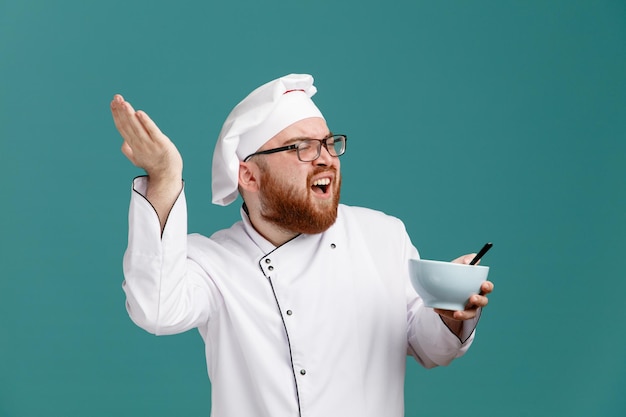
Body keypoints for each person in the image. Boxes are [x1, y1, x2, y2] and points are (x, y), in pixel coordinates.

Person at [110, 73, 494, 417]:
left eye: (329, 144)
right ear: (248, 174)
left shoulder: (383, 236)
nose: (326, 159)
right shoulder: (214, 261)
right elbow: (156, 309)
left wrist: (448, 310)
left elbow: (432, 347)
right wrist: (164, 176)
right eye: (301, 148)